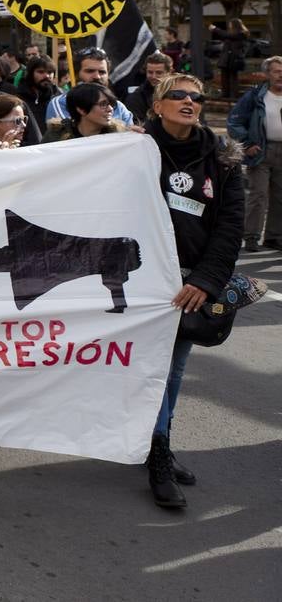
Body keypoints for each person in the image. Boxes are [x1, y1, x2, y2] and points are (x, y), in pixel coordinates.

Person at [145, 73, 243, 509]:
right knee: (146, 368)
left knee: (173, 370)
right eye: (178, 94)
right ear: (157, 105)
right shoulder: (134, 149)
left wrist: (204, 280)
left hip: (189, 284)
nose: (189, 101)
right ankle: (155, 451)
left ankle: (157, 447)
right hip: (140, 279)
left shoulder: (222, 159)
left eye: (196, 96)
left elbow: (230, 227)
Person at [227, 55, 282, 252]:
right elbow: (234, 121)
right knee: (258, 195)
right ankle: (251, 236)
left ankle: (274, 237)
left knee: (279, 196)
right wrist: (247, 143)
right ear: (267, 74)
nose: (280, 75)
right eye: (276, 71)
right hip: (261, 150)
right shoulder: (255, 95)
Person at [44, 49, 134, 125]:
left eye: (102, 72)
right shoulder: (61, 103)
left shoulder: (119, 108)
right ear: (76, 74)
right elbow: (71, 135)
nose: (97, 76)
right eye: (90, 71)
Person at [42, 83, 129, 143]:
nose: (110, 109)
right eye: (103, 104)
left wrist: (135, 135)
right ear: (81, 109)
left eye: (111, 104)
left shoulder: (120, 135)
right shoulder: (56, 135)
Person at [123, 53, 174, 124]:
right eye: (150, 72)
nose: (154, 76)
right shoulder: (136, 98)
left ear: (169, 72)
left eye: (159, 73)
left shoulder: (181, 92)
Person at [213, 18, 248, 99]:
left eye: (231, 24)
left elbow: (226, 35)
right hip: (226, 59)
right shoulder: (233, 34)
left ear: (235, 25)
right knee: (224, 78)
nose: (229, 26)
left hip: (233, 59)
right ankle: (225, 94)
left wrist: (215, 29)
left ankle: (233, 95)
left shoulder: (240, 34)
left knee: (233, 77)